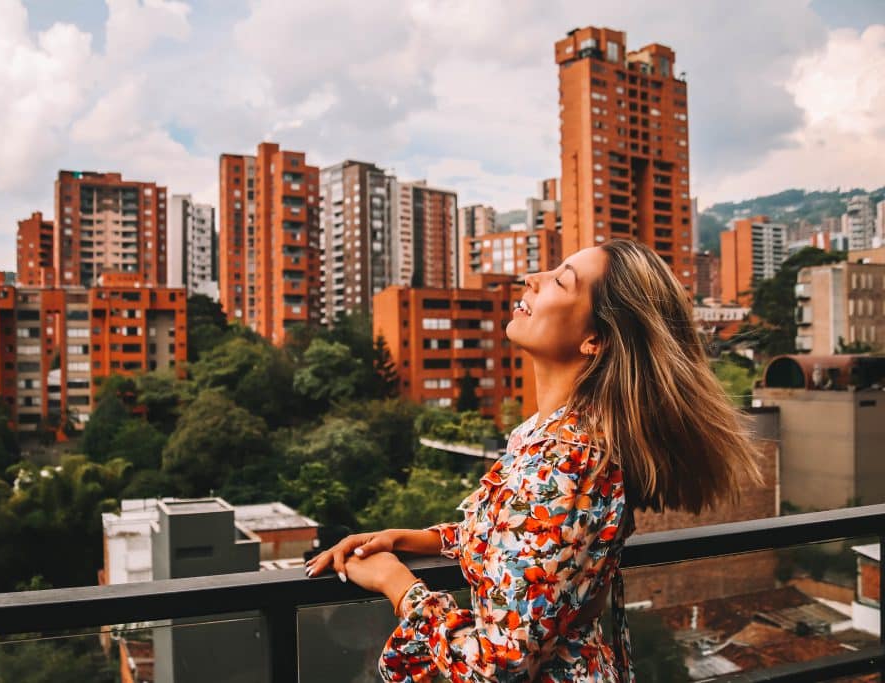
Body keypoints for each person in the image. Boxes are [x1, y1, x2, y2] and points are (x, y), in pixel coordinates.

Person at [305, 240, 764, 681]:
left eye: (560, 282)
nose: (530, 278)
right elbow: (522, 542)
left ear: (595, 340)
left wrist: (397, 584)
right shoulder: (546, 434)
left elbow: (498, 665)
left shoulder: (572, 461)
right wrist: (421, 539)